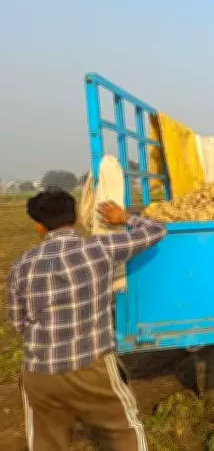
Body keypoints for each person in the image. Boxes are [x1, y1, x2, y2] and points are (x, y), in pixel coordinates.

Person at [7, 188, 167, 451]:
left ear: (38, 226)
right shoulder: (98, 249)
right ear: (78, 216)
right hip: (90, 364)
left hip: (39, 372)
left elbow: (18, 323)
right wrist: (124, 218)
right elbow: (156, 230)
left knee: (47, 442)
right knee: (122, 431)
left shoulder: (21, 265)